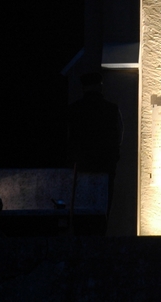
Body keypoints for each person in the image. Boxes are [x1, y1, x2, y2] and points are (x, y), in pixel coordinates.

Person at [66, 72, 123, 216]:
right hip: (105, 166)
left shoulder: (74, 110)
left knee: (80, 211)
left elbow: (68, 138)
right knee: (102, 210)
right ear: (100, 87)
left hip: (80, 166)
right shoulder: (112, 109)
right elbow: (119, 136)